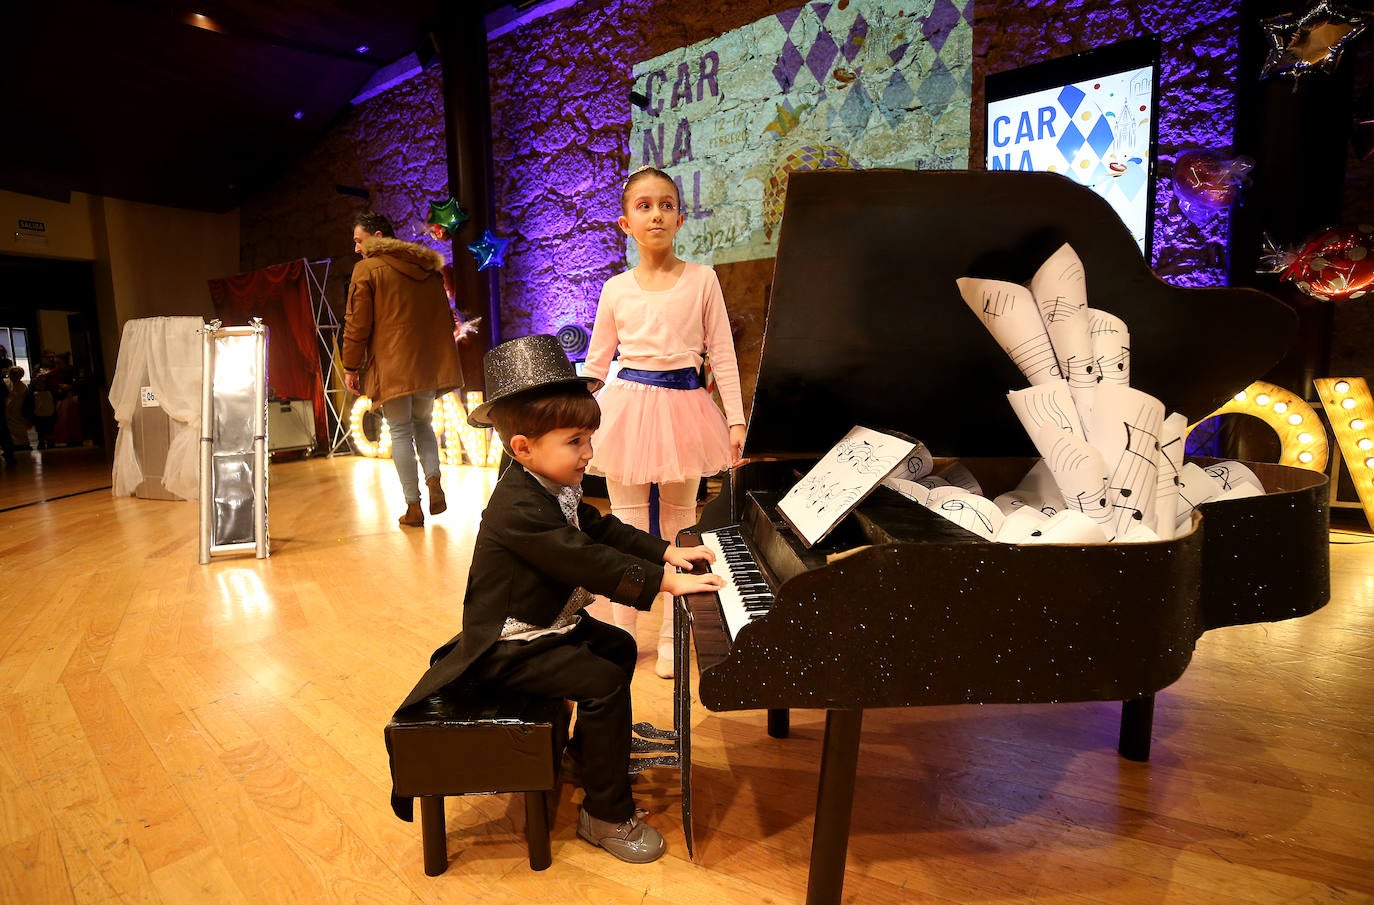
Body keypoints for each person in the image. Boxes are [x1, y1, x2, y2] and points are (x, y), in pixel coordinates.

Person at [391, 334, 725, 863]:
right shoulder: (517, 507)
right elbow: (583, 557)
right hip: (507, 646)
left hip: (551, 625)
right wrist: (664, 584)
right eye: (576, 442)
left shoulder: (554, 486)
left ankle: (584, 756)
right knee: (603, 681)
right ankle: (605, 813)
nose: (588, 453)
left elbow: (599, 528)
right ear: (523, 447)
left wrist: (665, 552)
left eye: (589, 438)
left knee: (615, 647)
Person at [581, 166, 747, 678]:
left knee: (681, 527)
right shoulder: (615, 289)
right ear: (625, 223)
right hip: (625, 409)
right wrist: (575, 421)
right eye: (644, 205)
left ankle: (678, 635)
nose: (656, 214)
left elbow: (721, 353)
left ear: (680, 217)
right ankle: (622, 635)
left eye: (666, 204)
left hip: (686, 410)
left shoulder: (703, 279)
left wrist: (737, 420)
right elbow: (595, 363)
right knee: (626, 527)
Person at [343, 210, 465, 528]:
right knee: (423, 425)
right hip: (426, 363)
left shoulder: (366, 270)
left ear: (378, 237)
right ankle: (434, 480)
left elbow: (357, 323)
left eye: (359, 240)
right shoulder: (427, 270)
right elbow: (441, 319)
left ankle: (413, 507)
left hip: (393, 363)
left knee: (399, 431)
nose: (356, 248)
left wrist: (350, 365)